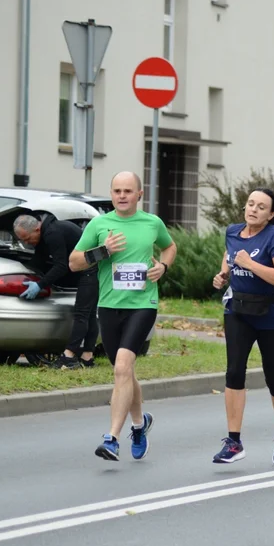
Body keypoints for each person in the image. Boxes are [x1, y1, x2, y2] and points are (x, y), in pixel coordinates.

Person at [69, 171, 177, 462]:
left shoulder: (152, 223)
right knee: (124, 371)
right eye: (117, 190)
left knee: (122, 367)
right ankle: (140, 425)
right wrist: (102, 251)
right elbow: (74, 262)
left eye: (128, 191)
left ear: (139, 194)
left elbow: (170, 247)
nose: (122, 196)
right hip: (109, 305)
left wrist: (163, 268)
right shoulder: (99, 224)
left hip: (143, 303)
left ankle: (112, 438)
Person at [210, 189, 274, 465]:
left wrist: (250, 264)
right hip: (238, 311)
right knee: (234, 370)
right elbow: (230, 254)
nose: (253, 209)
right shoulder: (233, 232)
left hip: (272, 315)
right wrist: (224, 273)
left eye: (261, 207)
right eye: (250, 204)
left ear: (271, 214)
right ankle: (233, 441)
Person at [13, 213, 100, 369]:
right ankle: (87, 357)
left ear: (37, 228)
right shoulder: (43, 235)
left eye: (27, 239)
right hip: (83, 270)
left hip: (90, 271)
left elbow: (61, 266)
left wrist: (40, 285)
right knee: (89, 315)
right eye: (23, 241)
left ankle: (69, 357)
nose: (27, 243)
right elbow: (38, 261)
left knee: (82, 314)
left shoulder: (53, 233)